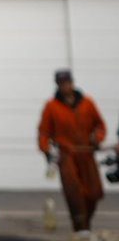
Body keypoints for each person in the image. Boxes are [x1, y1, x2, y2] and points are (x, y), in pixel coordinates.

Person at [39, 69, 106, 238]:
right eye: (61, 84)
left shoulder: (87, 103)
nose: (65, 86)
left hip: (87, 154)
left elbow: (100, 125)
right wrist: (47, 151)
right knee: (74, 191)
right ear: (58, 85)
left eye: (67, 82)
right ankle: (80, 228)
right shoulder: (52, 107)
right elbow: (44, 132)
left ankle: (86, 224)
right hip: (67, 155)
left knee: (94, 192)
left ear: (72, 83)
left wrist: (97, 138)